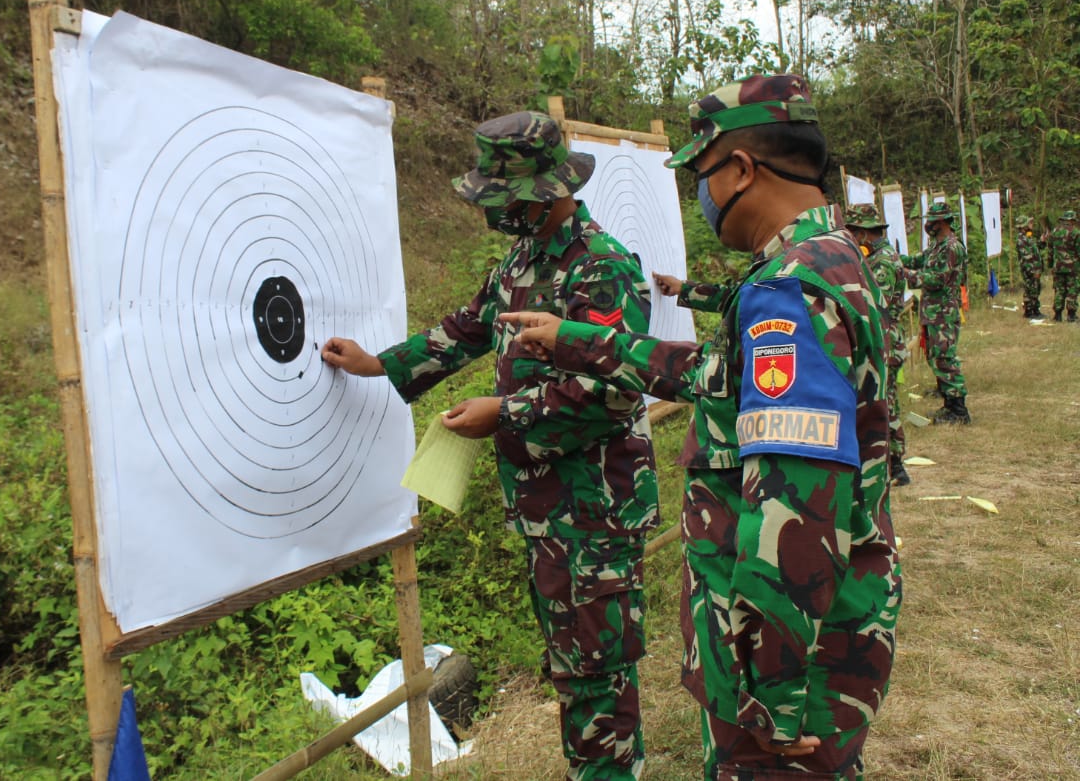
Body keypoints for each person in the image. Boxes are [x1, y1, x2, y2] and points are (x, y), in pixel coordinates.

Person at [502, 74, 900, 781]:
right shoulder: (830, 257)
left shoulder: (789, 289)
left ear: (741, 169)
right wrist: (578, 339)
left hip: (785, 664)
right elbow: (718, 377)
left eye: (702, 175)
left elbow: (795, 507)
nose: (702, 196)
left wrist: (773, 693)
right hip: (819, 632)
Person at [321, 111, 659, 781]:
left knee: (595, 671)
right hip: (548, 511)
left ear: (544, 191)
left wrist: (502, 413)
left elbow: (616, 389)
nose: (493, 213)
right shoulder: (522, 259)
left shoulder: (601, 268)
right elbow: (469, 328)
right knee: (573, 664)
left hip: (594, 511)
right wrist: (380, 363)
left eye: (503, 198)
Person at [844, 203, 910, 486]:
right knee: (886, 400)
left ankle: (896, 466)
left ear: (863, 233)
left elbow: (874, 305)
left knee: (886, 403)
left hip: (886, 340)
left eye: (853, 232)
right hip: (887, 338)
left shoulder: (881, 262)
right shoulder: (881, 256)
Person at [902, 201, 971, 424]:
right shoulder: (937, 246)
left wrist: (906, 275)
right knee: (936, 357)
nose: (928, 225)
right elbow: (918, 260)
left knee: (945, 358)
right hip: (933, 311)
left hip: (943, 312)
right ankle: (948, 404)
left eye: (931, 221)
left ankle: (959, 411)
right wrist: (894, 259)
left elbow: (937, 279)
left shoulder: (951, 247)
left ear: (941, 221)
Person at [1049, 209, 1079, 322]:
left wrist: (1050, 264)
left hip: (1058, 267)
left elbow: (1050, 249)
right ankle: (1071, 315)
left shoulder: (1054, 231)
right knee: (1072, 290)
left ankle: (1057, 315)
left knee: (1059, 290)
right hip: (1072, 268)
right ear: (1072, 220)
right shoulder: (1075, 233)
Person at [1015, 217, 1045, 320]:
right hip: (1029, 269)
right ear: (1024, 226)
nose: (1031, 224)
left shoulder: (1028, 236)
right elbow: (1027, 257)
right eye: (1029, 223)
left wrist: (1041, 241)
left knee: (1035, 288)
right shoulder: (1021, 239)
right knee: (1030, 289)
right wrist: (1033, 270)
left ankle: (1035, 309)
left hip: (1035, 268)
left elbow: (1035, 249)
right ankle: (1029, 311)